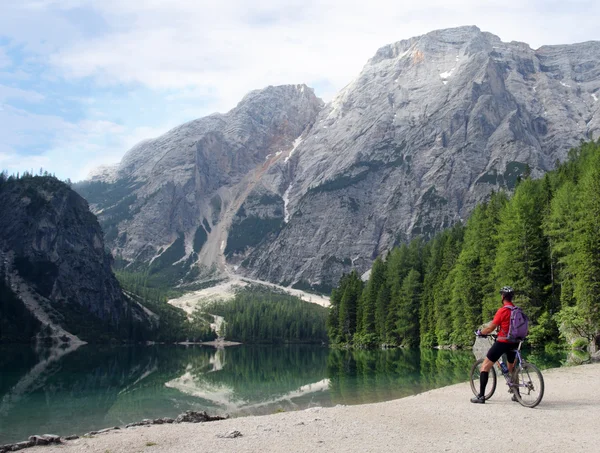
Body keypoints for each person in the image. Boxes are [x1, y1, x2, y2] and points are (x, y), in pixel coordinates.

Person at [470, 286, 519, 404]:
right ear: (511, 297)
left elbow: (490, 328)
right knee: (511, 368)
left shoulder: (503, 311)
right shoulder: (517, 310)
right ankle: (517, 394)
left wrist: (480, 333)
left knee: (485, 366)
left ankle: (481, 396)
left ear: (502, 297)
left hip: (503, 342)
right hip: (515, 342)